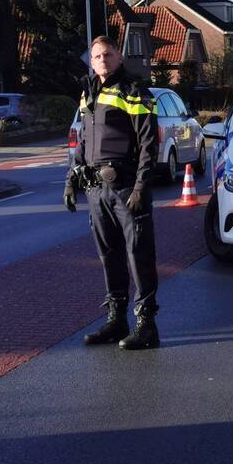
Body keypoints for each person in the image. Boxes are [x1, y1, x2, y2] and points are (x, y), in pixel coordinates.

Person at [65, 35, 161, 351]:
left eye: (107, 54)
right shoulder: (88, 92)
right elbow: (82, 140)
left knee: (138, 254)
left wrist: (140, 187)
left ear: (119, 57)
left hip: (126, 186)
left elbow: (149, 144)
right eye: (97, 56)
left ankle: (146, 325)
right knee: (109, 256)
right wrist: (71, 179)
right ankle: (116, 319)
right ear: (90, 62)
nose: (102, 60)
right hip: (96, 188)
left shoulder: (134, 92)